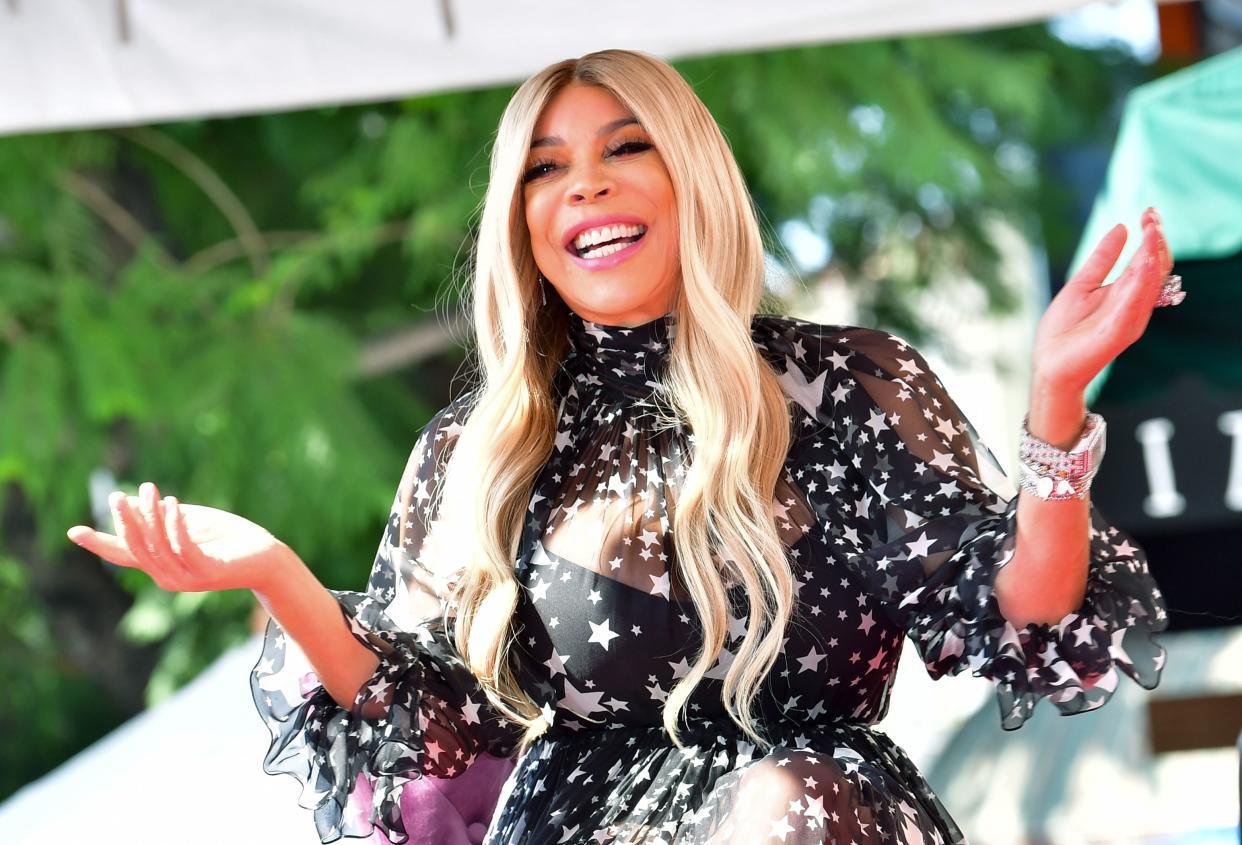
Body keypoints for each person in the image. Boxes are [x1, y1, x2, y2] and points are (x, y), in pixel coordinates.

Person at [66, 48, 1180, 845]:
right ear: (523, 223)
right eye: (545, 167)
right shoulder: (481, 446)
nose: (584, 182)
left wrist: (1055, 401)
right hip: (575, 820)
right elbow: (433, 724)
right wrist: (272, 569)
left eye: (623, 146)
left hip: (812, 815)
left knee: (791, 796)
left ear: (692, 176)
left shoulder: (842, 384)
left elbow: (1029, 610)